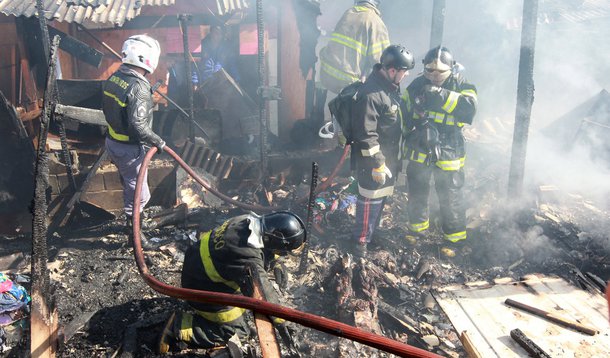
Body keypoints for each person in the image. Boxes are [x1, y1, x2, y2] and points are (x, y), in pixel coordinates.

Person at [158, 211, 306, 354]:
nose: (283, 255)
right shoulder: (247, 257)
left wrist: (276, 261)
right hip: (201, 287)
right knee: (237, 333)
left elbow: (263, 246)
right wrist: (284, 323)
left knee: (243, 307)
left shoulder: (245, 221)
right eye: (283, 251)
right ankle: (179, 326)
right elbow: (263, 295)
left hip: (197, 266)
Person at [402, 46, 478, 253]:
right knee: (417, 190)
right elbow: (405, 114)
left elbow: (469, 111)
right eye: (430, 71)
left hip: (449, 147)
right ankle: (416, 231)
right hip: (420, 144)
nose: (434, 76)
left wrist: (441, 95)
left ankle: (454, 240)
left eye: (440, 72)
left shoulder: (463, 85)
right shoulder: (417, 85)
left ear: (451, 69)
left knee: (450, 194)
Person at [102, 34, 165, 248]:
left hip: (113, 143)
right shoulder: (139, 88)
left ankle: (134, 223)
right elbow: (139, 126)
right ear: (148, 59)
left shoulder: (115, 77)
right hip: (129, 150)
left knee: (129, 184)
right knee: (138, 193)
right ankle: (135, 236)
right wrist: (159, 141)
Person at [350, 45, 414, 256]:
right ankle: (360, 244)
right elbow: (366, 134)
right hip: (373, 160)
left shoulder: (388, 90)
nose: (404, 76)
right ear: (393, 70)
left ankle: (371, 235)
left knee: (381, 196)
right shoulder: (371, 94)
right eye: (403, 72)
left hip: (387, 158)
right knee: (370, 199)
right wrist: (377, 162)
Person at [319, 0, 390, 95]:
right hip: (347, 85)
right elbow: (382, 64)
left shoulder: (348, 13)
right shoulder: (376, 22)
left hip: (326, 76)